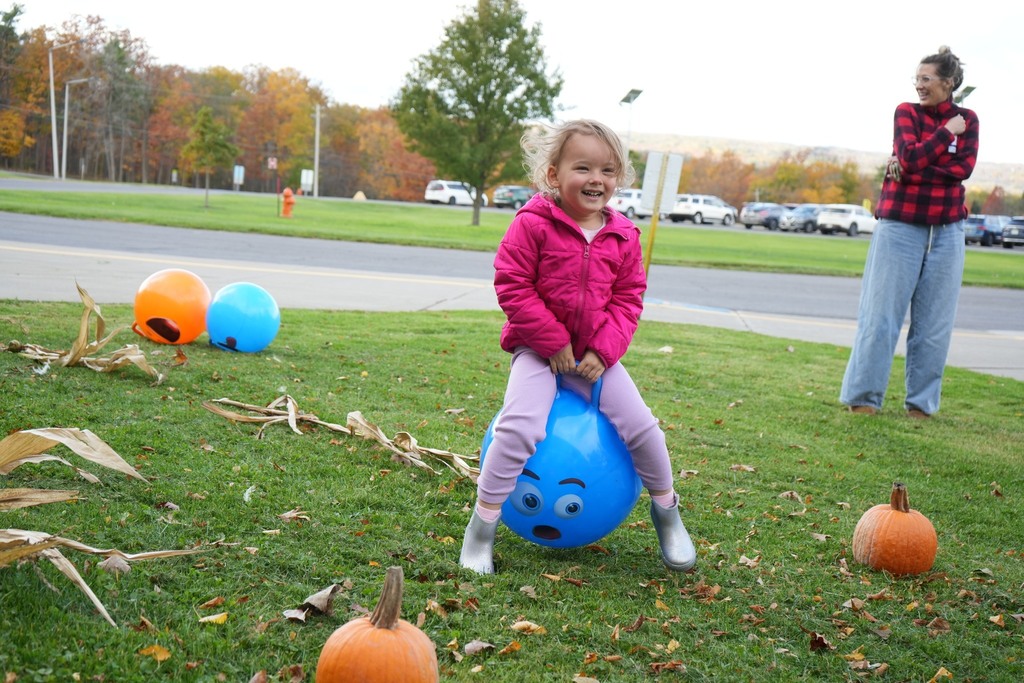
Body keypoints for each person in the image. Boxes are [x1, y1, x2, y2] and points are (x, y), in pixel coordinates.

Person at [458, 119, 696, 575]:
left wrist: (603, 353)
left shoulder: (624, 236)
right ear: (553, 175)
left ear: (618, 178)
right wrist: (552, 343)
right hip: (538, 353)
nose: (596, 179)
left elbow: (629, 299)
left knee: (644, 429)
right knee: (518, 428)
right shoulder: (532, 224)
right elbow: (513, 285)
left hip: (596, 363)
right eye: (582, 167)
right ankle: (482, 527)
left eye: (607, 170)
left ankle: (667, 513)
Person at [840, 46, 979, 419]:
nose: (918, 85)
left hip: (947, 232)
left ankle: (921, 406)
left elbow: (961, 168)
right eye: (916, 79)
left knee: (934, 325)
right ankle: (864, 399)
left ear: (948, 83)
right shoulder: (907, 112)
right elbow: (910, 156)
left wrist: (915, 161)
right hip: (899, 228)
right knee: (880, 317)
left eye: (926, 79)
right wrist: (942, 137)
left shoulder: (969, 119)